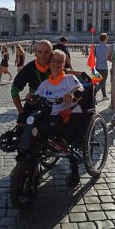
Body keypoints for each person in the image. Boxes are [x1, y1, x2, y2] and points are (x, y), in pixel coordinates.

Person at [35, 50, 84, 187]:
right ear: (49, 63)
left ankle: (63, 141)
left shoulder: (69, 79)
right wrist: (31, 97)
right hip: (52, 114)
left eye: (59, 61)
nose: (56, 64)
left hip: (69, 111)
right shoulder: (45, 84)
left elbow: (78, 87)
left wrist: (72, 93)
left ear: (64, 64)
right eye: (53, 61)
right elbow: (37, 94)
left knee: (74, 113)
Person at [11, 40, 52, 127]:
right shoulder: (29, 68)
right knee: (21, 125)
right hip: (33, 102)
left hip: (54, 103)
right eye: (40, 52)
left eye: (46, 52)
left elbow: (67, 76)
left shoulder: (56, 66)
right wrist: (21, 111)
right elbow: (14, 90)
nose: (43, 56)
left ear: (51, 53)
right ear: (35, 53)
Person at [95, 33, 109, 100]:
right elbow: (109, 57)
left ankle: (104, 95)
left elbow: (93, 56)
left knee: (102, 82)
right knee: (102, 82)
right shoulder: (107, 47)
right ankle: (93, 92)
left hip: (97, 67)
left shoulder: (96, 46)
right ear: (105, 39)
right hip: (104, 67)